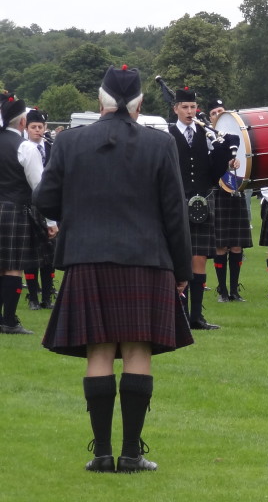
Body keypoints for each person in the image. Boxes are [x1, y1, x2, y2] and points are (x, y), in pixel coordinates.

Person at [35, 65, 193, 473]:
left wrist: (77, 213)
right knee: (138, 349)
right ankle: (131, 454)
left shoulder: (69, 142)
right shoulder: (161, 144)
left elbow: (45, 200)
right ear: (139, 103)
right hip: (147, 258)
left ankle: (102, 454)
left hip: (88, 258)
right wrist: (182, 271)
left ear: (100, 101)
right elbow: (175, 212)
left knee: (99, 350)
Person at [168, 87, 236, 330]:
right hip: (177, 202)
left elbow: (216, 171)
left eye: (192, 107)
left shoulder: (206, 134)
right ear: (175, 108)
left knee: (199, 259)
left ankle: (196, 317)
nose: (189, 111)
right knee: (180, 259)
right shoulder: (168, 135)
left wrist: (223, 149)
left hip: (203, 200)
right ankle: (180, 316)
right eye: (184, 107)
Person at [1, 93, 47, 335]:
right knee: (12, 268)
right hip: (14, 210)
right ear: (21, 123)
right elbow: (39, 188)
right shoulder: (25, 147)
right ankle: (8, 320)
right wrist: (50, 221)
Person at [207, 99, 252, 303]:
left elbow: (246, 164)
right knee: (220, 246)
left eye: (221, 111)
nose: (218, 114)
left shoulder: (237, 137)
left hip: (235, 192)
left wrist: (237, 163)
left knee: (236, 245)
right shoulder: (207, 138)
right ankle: (222, 290)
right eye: (214, 112)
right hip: (217, 194)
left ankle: (234, 290)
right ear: (210, 118)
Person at [23, 108, 58, 311]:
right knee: (32, 252)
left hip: (50, 203)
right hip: (31, 205)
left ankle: (47, 296)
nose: (37, 130)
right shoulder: (24, 148)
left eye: (40, 127)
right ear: (26, 129)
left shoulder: (52, 148)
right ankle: (33, 296)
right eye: (33, 127)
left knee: (49, 254)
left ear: (45, 128)